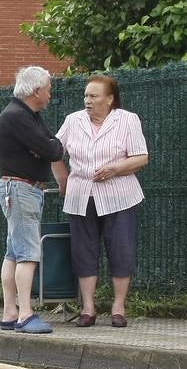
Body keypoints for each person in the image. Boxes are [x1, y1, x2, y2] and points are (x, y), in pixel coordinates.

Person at [52, 74, 149, 328]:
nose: (88, 100)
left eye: (93, 96)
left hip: (120, 195)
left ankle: (118, 307)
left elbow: (141, 158)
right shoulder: (73, 120)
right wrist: (63, 180)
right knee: (83, 251)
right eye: (86, 95)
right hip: (80, 194)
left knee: (122, 249)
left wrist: (116, 168)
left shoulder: (127, 120)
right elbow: (54, 151)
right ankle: (88, 308)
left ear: (109, 99)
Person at [0, 66, 65, 334]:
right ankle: (25, 314)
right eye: (48, 88)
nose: (49, 93)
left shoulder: (27, 115)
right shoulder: (18, 117)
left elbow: (50, 146)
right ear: (36, 91)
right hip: (21, 189)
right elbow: (52, 148)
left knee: (14, 251)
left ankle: (10, 312)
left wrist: (47, 148)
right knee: (27, 252)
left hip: (19, 189)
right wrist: (46, 148)